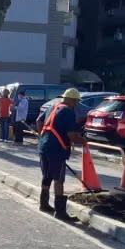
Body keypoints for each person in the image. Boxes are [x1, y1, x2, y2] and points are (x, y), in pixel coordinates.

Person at [36, 88, 86, 222]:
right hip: (57, 150)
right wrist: (84, 141)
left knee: (47, 176)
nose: (76, 104)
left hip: (44, 147)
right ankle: (60, 212)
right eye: (75, 101)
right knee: (59, 180)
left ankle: (44, 204)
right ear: (71, 100)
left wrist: (43, 136)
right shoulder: (68, 111)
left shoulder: (52, 107)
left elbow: (39, 121)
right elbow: (71, 135)